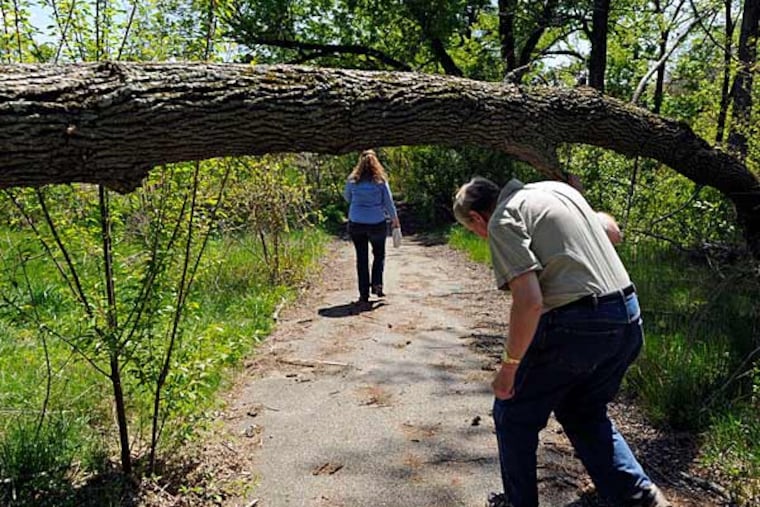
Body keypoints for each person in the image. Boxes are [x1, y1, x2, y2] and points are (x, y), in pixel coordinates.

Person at [452, 177, 669, 507]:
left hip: (579, 325)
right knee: (583, 410)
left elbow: (529, 301)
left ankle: (518, 502)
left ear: (478, 219)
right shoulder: (555, 190)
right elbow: (612, 231)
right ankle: (640, 497)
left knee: (513, 414)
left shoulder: (502, 219)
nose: (481, 236)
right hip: (628, 317)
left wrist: (509, 367)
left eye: (473, 231)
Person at [344, 149, 400, 309]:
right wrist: (395, 221)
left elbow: (347, 197)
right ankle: (377, 285)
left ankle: (363, 294)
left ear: (359, 163)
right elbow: (388, 202)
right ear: (376, 163)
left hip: (357, 223)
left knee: (361, 258)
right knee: (379, 255)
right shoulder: (380, 181)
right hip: (377, 223)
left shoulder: (352, 181)